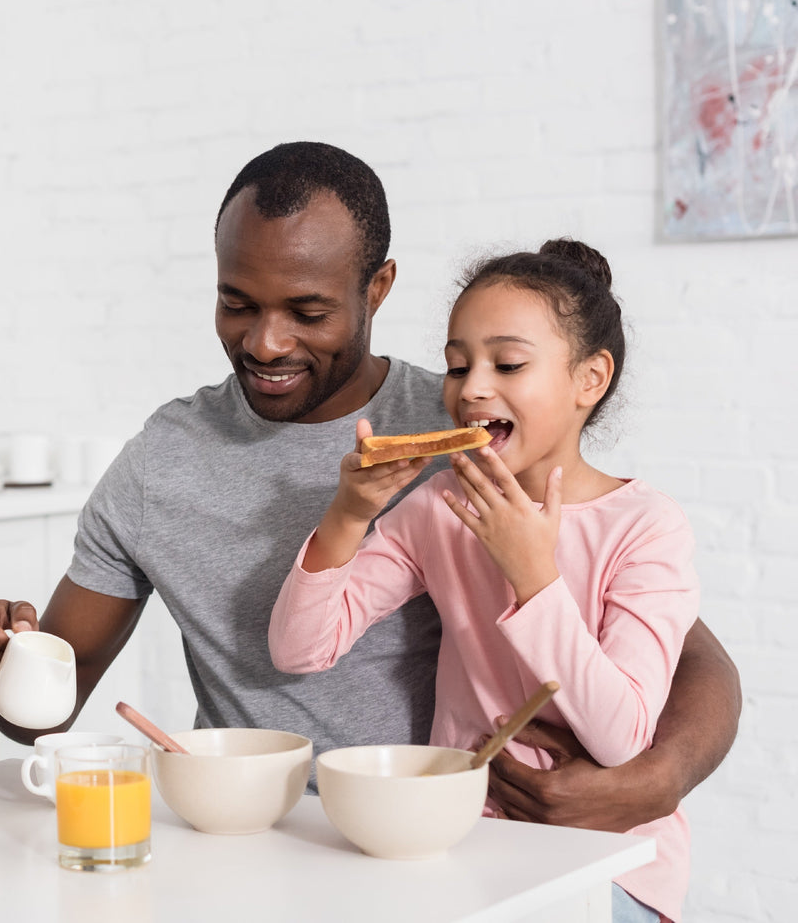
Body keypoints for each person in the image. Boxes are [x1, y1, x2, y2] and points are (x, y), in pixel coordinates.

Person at [0, 142, 740, 834]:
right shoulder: (160, 464)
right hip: (254, 833)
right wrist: (4, 665)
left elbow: (686, 656)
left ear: (379, 288)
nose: (265, 341)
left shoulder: (474, 429)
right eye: (236, 303)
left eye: (308, 310)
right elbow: (47, 704)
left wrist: (655, 779)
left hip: (437, 832)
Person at [268, 238, 693, 921]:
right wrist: (348, 515)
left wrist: (534, 577)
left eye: (509, 364)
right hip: (463, 846)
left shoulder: (647, 527)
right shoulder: (440, 509)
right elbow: (299, 648)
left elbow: (622, 738)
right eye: (457, 365)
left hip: (608, 865)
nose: (472, 389)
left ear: (590, 378)